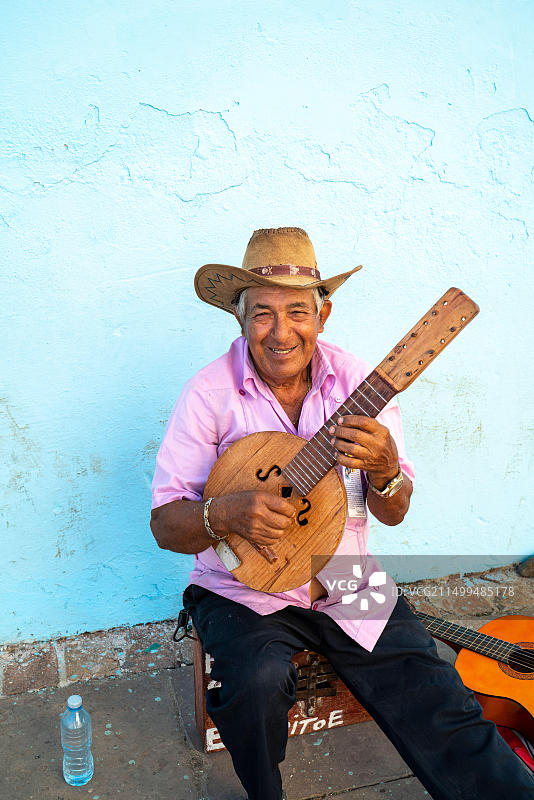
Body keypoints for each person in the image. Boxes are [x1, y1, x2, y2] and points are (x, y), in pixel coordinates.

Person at [150, 227, 534, 800]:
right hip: (239, 584)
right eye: (262, 314)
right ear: (239, 318)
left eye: (298, 311)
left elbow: (395, 510)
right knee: (252, 685)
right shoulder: (208, 395)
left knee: (435, 693)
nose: (281, 333)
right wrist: (225, 513)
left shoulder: (362, 385)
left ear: (322, 316)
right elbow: (164, 524)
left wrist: (384, 471)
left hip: (348, 573)